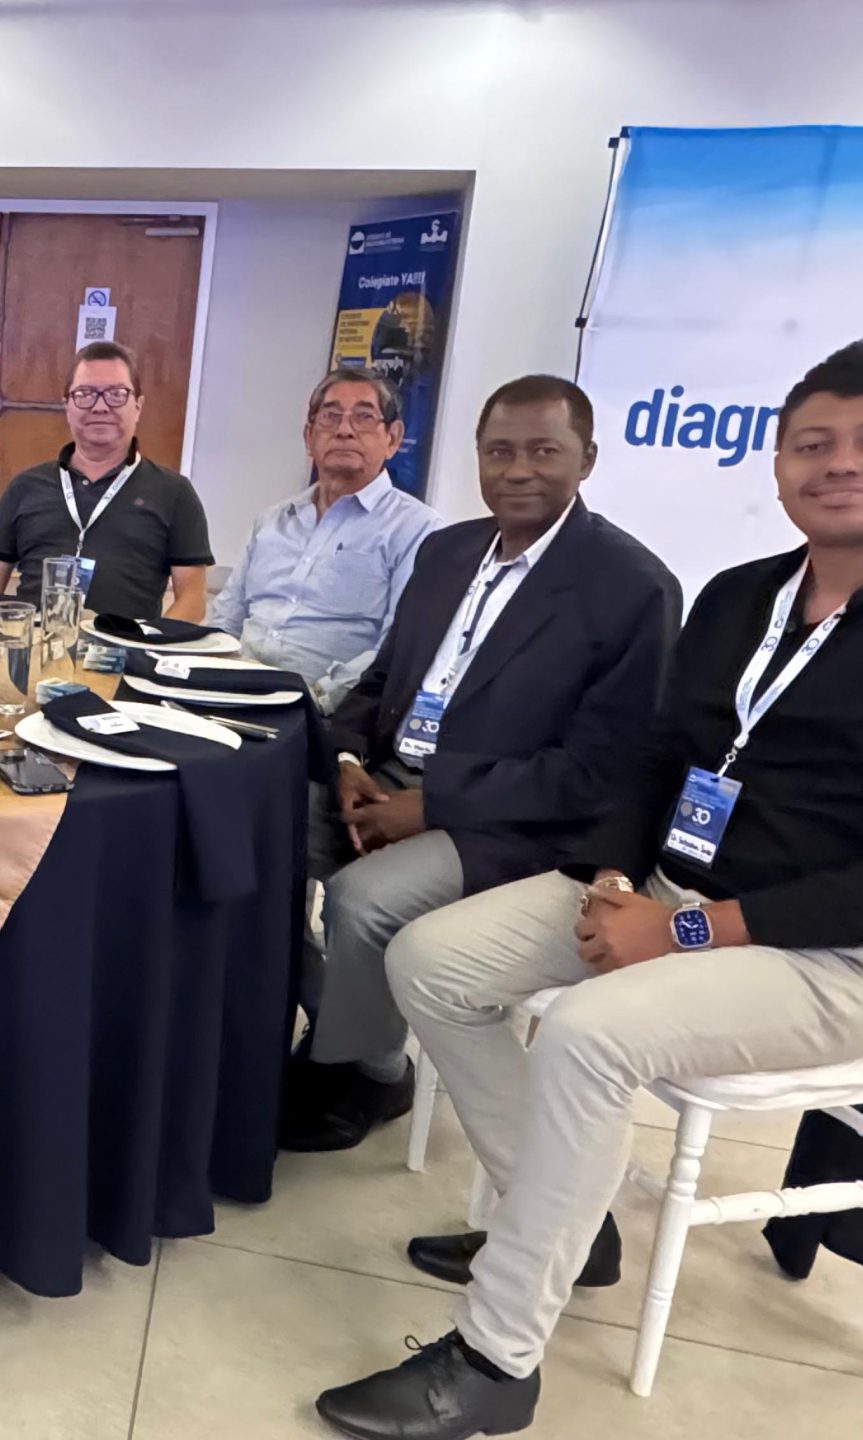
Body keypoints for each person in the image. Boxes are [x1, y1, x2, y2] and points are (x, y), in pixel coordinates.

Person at [310, 338, 863, 1440]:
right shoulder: (741, 597)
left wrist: (687, 929)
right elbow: (651, 761)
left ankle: (495, 1359)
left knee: (588, 1034)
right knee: (429, 959)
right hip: (668, 888)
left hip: (847, 956)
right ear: (779, 465)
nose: (839, 464)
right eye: (811, 444)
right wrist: (618, 878)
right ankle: (565, 1223)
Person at [279, 376, 679, 1154]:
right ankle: (326, 1021)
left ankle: (369, 1072)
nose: (518, 470)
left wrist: (432, 806)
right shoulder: (448, 550)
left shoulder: (632, 588)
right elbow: (381, 681)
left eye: (544, 451)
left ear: (587, 460)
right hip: (387, 779)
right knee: (250, 846)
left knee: (364, 900)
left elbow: (596, 772)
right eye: (499, 452)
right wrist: (351, 759)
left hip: (513, 821)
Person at [209, 367, 441, 707]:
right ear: (309, 437)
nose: (344, 430)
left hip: (322, 712)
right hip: (230, 694)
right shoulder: (272, 521)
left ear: (393, 438)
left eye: (364, 417)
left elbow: (396, 647)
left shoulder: (417, 530)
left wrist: (315, 699)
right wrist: (205, 676)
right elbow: (226, 620)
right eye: (331, 417)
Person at [0, 341, 212, 621]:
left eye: (116, 394)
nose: (100, 407)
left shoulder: (174, 493)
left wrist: (150, 642)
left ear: (138, 406)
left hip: (125, 646)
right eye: (85, 394)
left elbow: (192, 601)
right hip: (33, 640)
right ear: (67, 406)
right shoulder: (25, 487)